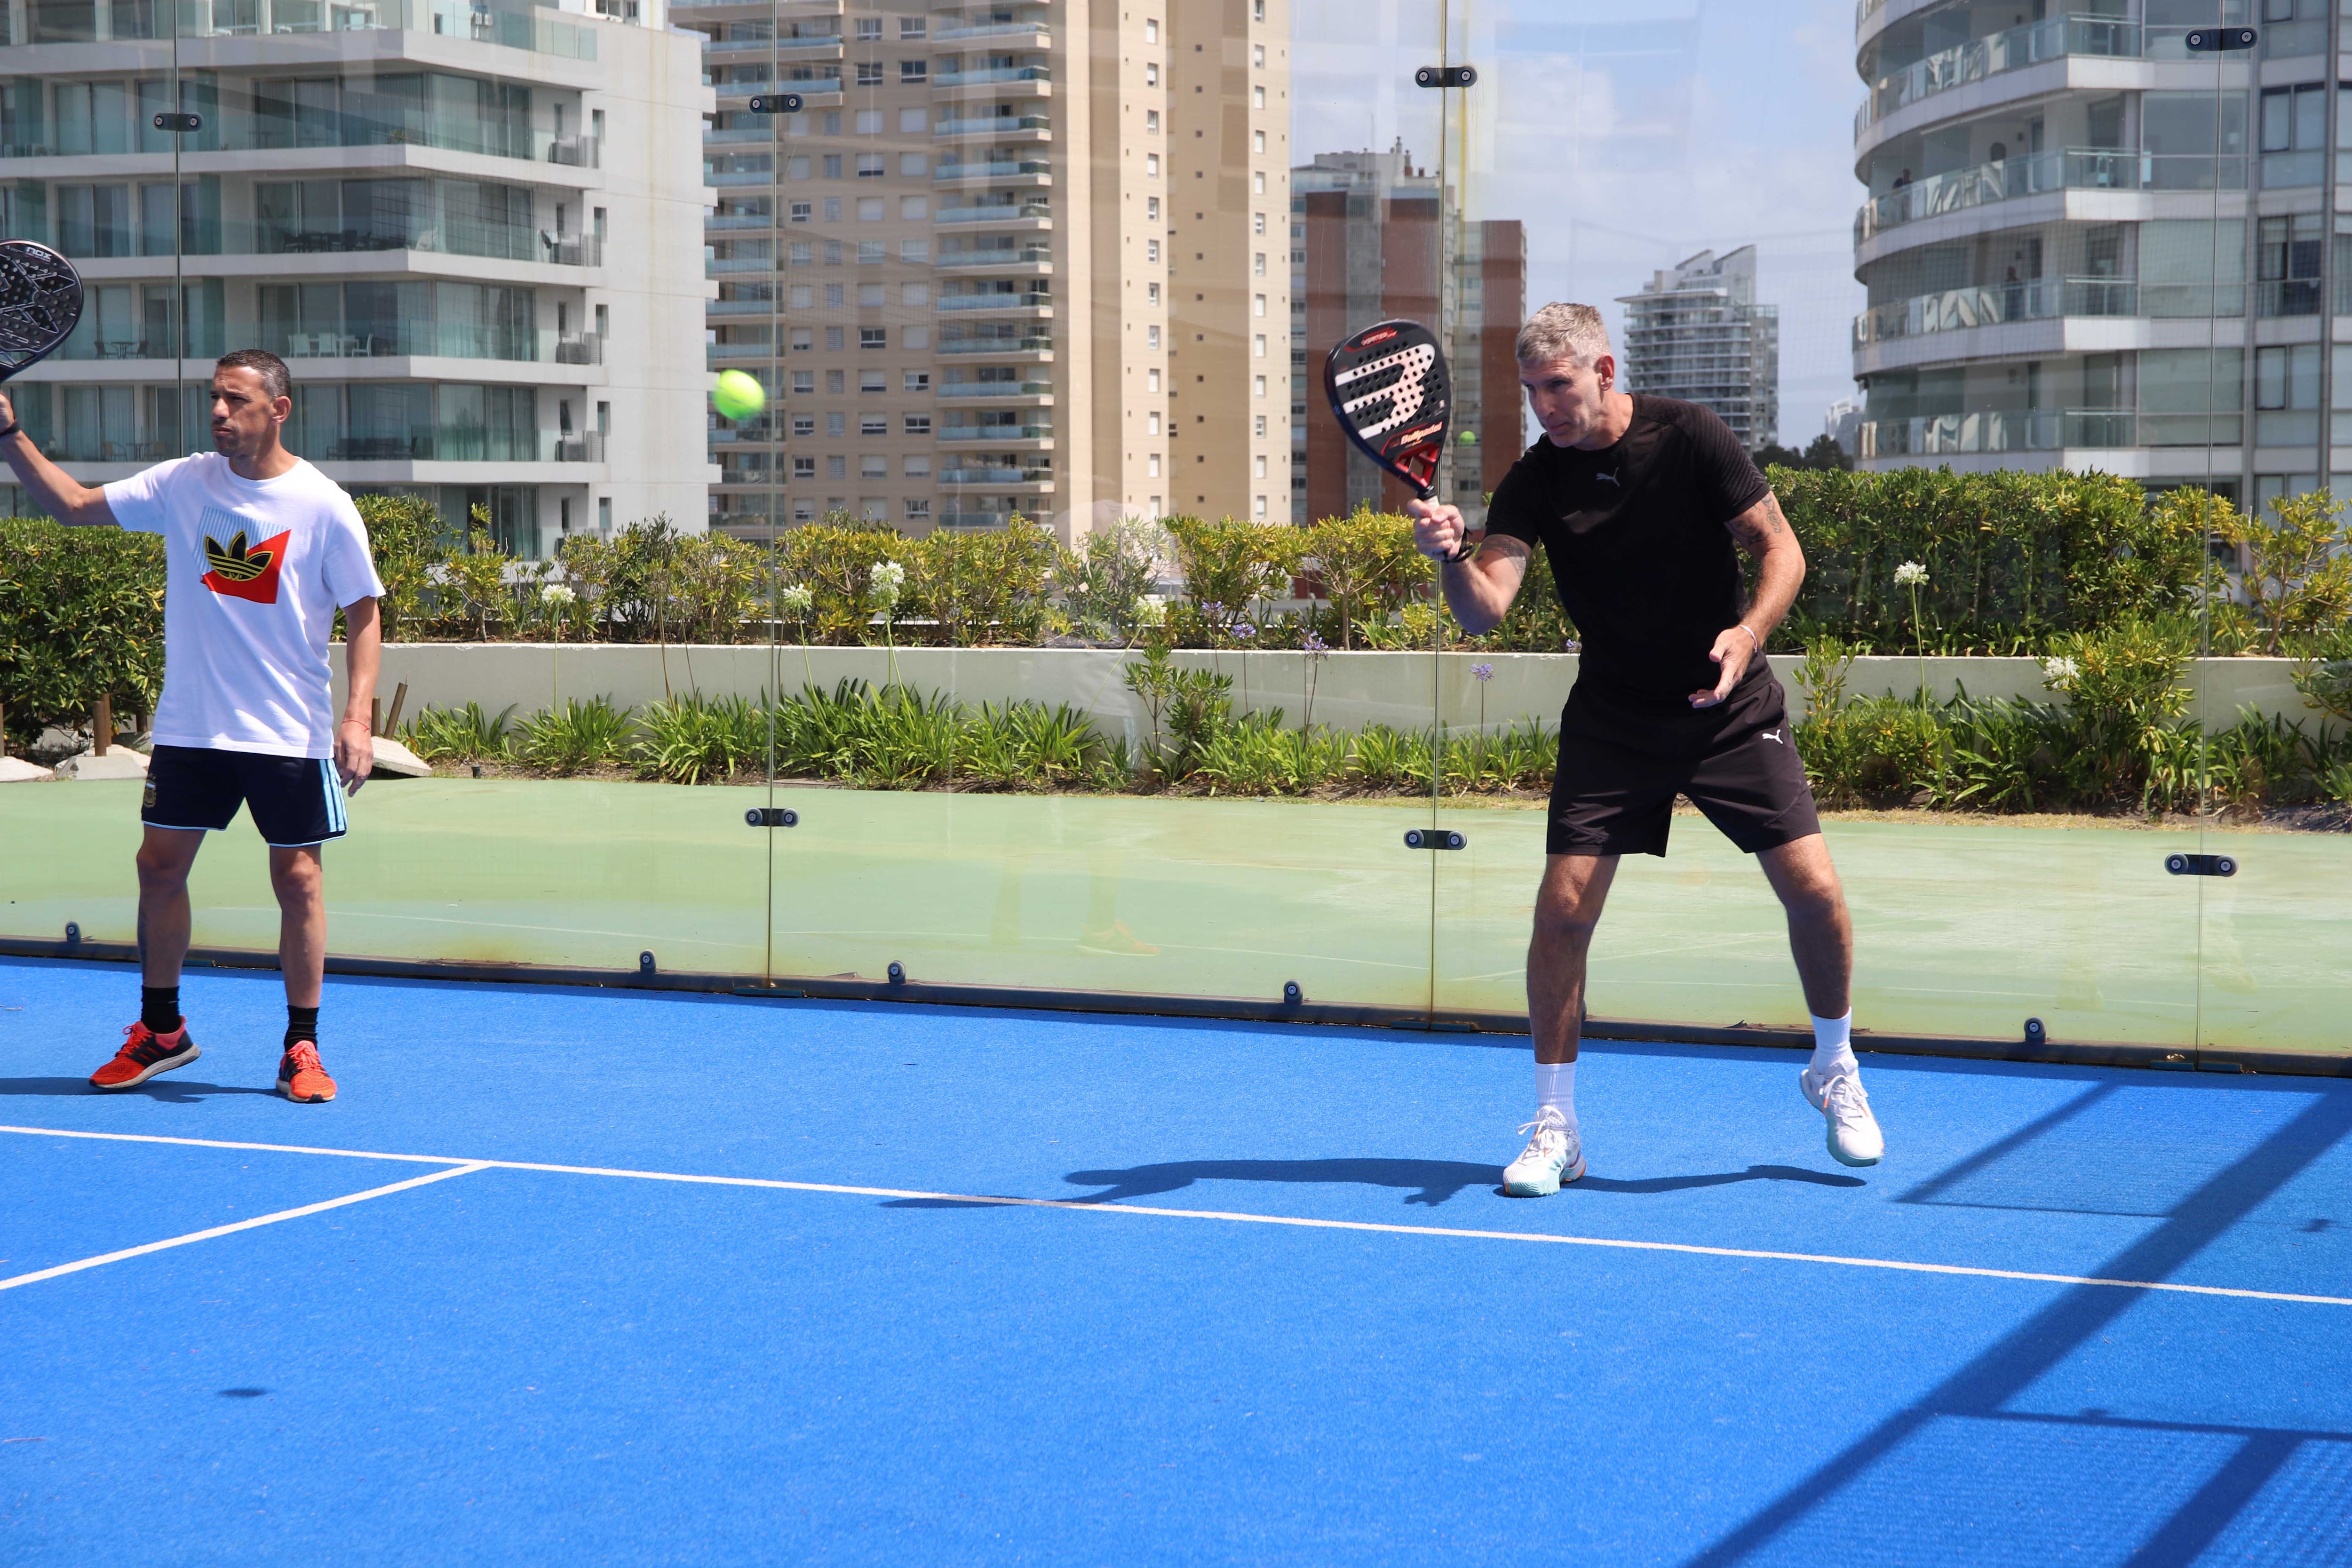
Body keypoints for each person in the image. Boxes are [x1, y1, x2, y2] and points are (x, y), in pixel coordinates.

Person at [1406, 303, 1884, 1196]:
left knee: (1816, 892)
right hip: (1614, 717)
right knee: (1563, 912)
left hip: (1728, 704)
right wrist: (1450, 555)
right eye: (1532, 390)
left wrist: (1747, 631)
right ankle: (1559, 1127)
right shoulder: (1536, 481)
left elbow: (1784, 550)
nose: (1547, 404)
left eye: (1561, 384)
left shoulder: (1692, 436)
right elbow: (1486, 609)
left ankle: (1835, 1066)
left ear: (1604, 371)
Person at [0, 350, 383, 1103]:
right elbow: (73, 505)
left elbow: (364, 610)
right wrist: (9, 437)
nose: (217, 412)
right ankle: (161, 1031)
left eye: (235, 400)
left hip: (287, 731)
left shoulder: (323, 503)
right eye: (213, 398)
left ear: (279, 408)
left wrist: (358, 714)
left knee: (298, 878)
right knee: (158, 868)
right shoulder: (183, 481)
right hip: (192, 729)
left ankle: (300, 1047)